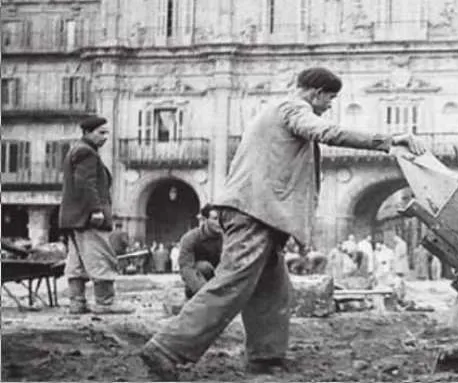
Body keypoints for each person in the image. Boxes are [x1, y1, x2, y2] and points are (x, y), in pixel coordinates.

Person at [139, 67, 426, 379]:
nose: (329, 105)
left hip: (261, 213)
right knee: (231, 286)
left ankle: (265, 358)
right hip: (255, 213)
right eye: (329, 99)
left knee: (273, 291)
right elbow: (328, 133)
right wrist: (387, 140)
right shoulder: (293, 109)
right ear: (316, 93)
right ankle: (166, 348)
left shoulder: (274, 112)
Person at [59, 115, 133, 315]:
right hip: (88, 217)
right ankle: (105, 302)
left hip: (74, 218)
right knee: (101, 257)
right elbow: (86, 183)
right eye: (101, 133)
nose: (105, 137)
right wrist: (96, 210)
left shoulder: (76, 150)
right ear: (87, 133)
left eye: (107, 133)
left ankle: (77, 302)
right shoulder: (87, 152)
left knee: (76, 261)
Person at [178, 204, 224, 299]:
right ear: (204, 220)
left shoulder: (227, 238)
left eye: (221, 219)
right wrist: (206, 294)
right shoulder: (190, 238)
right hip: (198, 283)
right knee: (204, 267)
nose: (219, 223)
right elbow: (186, 268)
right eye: (215, 219)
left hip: (221, 281)